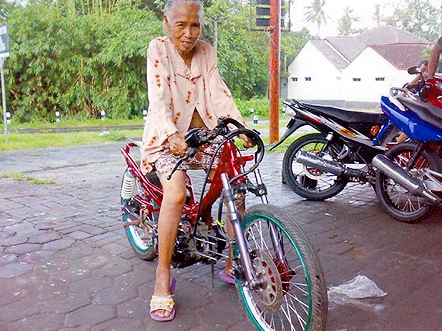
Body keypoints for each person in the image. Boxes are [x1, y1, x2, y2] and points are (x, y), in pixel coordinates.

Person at [140, 0, 251, 322]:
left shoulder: (207, 51)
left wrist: (240, 126)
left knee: (237, 183)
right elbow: (157, 96)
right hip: (167, 137)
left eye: (195, 25)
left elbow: (218, 92)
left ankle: (234, 259)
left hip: (204, 135)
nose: (189, 33)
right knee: (175, 195)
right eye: (181, 25)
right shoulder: (158, 49)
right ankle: (163, 276)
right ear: (166, 22)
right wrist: (171, 134)